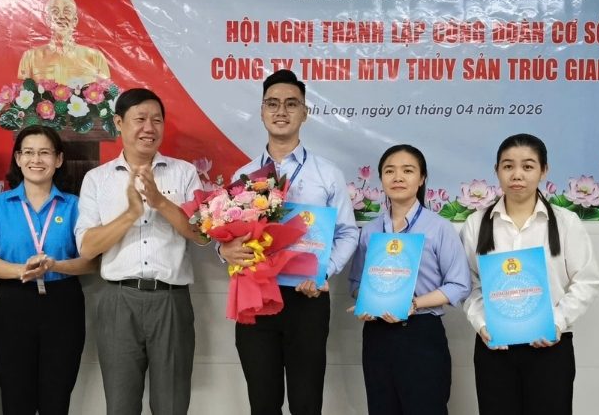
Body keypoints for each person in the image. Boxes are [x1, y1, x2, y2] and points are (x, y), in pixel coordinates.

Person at [219, 69, 359, 415]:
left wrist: (325, 273)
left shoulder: (327, 174)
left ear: (305, 112)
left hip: (306, 297)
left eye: (291, 104)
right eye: (273, 104)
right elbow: (225, 231)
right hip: (255, 296)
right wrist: (224, 251)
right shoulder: (243, 176)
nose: (281, 111)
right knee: (263, 401)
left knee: (306, 401)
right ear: (262, 111)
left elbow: (348, 231)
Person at [75, 88, 206, 415]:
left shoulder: (184, 173)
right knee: (120, 404)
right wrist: (131, 214)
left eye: (157, 120)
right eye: (140, 119)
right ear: (119, 123)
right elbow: (88, 246)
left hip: (171, 301)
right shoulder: (97, 179)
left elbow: (202, 235)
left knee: (172, 404)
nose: (149, 128)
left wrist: (160, 202)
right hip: (118, 301)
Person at [461, 133, 599, 415]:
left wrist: (556, 322)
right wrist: (481, 324)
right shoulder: (476, 223)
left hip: (550, 347)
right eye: (508, 166)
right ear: (497, 171)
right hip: (494, 347)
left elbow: (586, 280)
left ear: (543, 171)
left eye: (528, 166)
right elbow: (471, 284)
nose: (517, 175)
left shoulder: (565, 222)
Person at [0, 125, 97, 415]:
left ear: (58, 159)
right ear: (17, 159)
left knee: (56, 396)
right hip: (14, 301)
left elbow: (91, 261)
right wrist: (23, 269)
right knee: (16, 395)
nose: (36, 160)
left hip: (63, 302)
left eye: (44, 152)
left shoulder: (75, 206)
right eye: (28, 152)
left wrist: (55, 265)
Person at [348, 144, 470, 415]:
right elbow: (355, 283)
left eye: (408, 170)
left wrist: (414, 304)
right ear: (381, 178)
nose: (398, 177)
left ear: (422, 178)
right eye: (389, 171)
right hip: (378, 334)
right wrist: (366, 300)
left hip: (421, 333)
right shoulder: (369, 232)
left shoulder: (438, 227)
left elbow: (459, 284)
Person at [17, 0, 111, 86]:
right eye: (55, 11)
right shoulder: (30, 57)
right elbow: (23, 92)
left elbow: (109, 91)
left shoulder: (95, 57)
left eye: (67, 11)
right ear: (48, 21)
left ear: (75, 21)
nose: (61, 16)